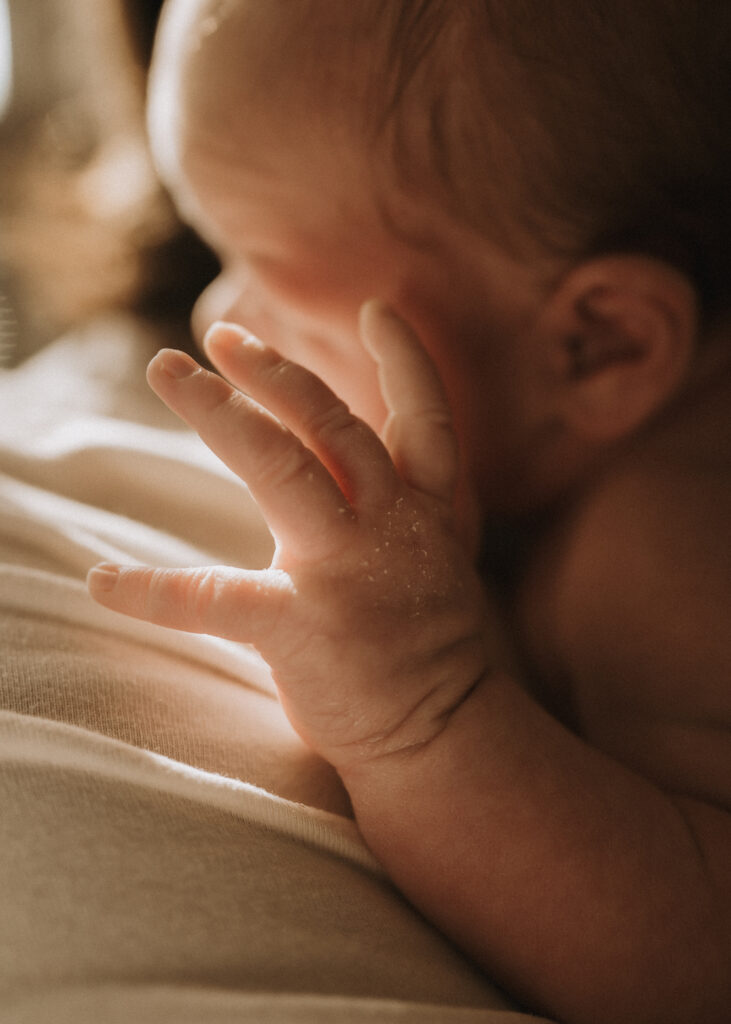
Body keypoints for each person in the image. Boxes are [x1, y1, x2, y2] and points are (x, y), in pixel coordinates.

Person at [87, 2, 731, 1022]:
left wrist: (427, 713)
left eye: (276, 280)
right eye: (214, 252)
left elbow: (697, 961)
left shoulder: (669, 554)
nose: (217, 315)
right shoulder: (588, 470)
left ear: (597, 344)